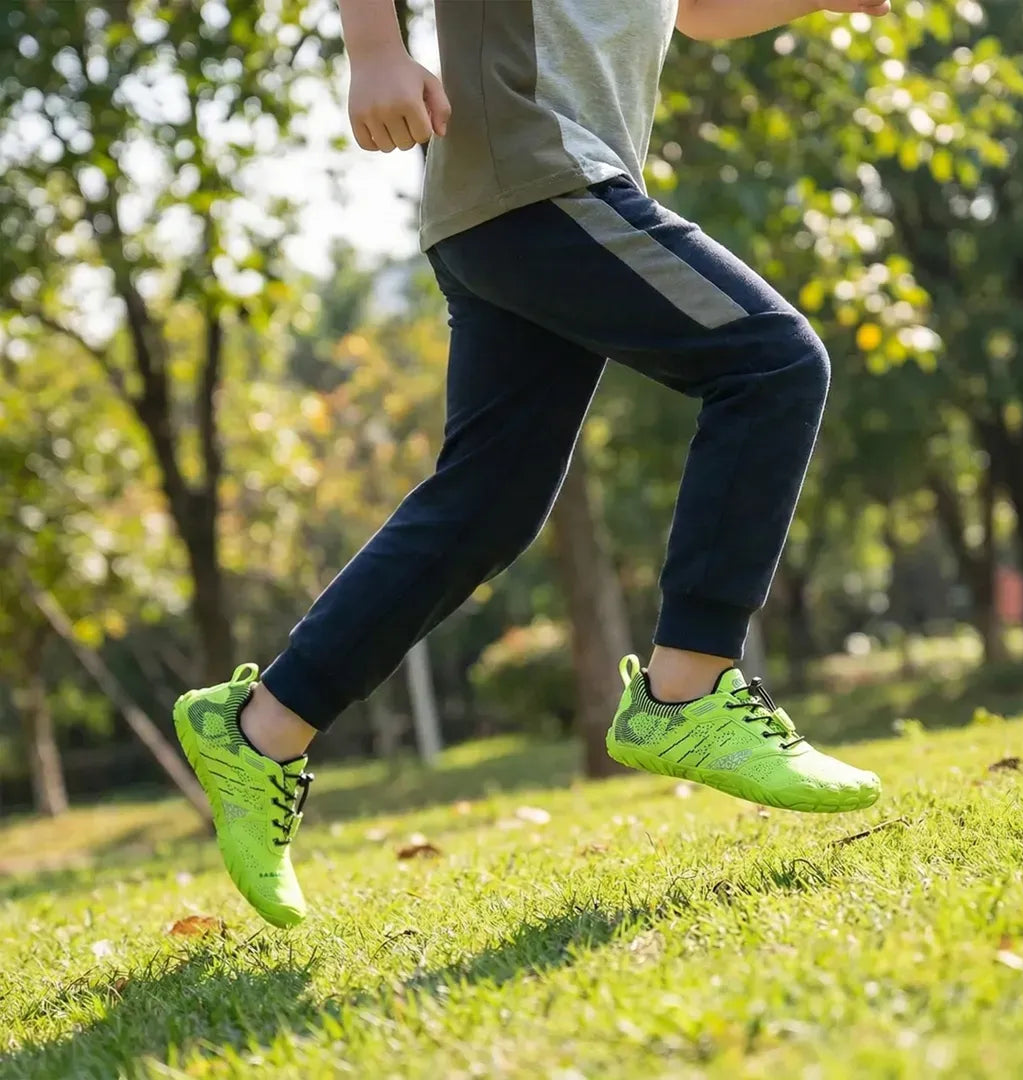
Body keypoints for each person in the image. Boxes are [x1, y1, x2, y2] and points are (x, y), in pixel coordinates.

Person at [174, 0, 889, 929]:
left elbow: (695, 13)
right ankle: (687, 689)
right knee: (773, 362)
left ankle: (261, 730)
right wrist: (375, 48)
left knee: (491, 502)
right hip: (536, 166)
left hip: (523, 190)